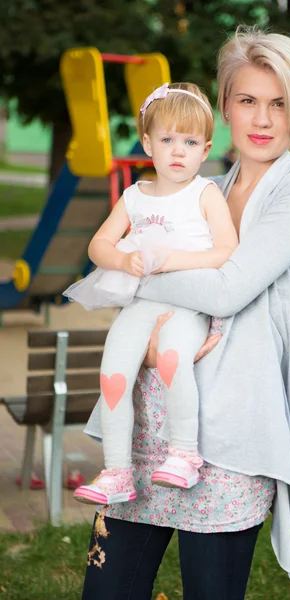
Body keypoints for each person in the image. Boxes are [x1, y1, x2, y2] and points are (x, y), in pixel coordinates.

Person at [82, 24, 290, 599]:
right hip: (151, 422)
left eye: (279, 103)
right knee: (106, 591)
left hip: (231, 435)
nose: (263, 119)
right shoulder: (201, 187)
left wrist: (144, 269)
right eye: (247, 101)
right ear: (224, 107)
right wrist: (141, 293)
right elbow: (111, 269)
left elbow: (225, 292)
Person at [64, 82, 238, 504]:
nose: (178, 151)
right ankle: (117, 471)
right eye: (167, 139)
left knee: (173, 360)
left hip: (187, 304)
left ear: (206, 148)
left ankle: (183, 453)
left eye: (190, 141)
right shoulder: (134, 196)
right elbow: (98, 246)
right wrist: (123, 261)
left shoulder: (206, 194)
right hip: (141, 303)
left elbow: (228, 250)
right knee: (113, 375)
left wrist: (172, 258)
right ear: (147, 143)